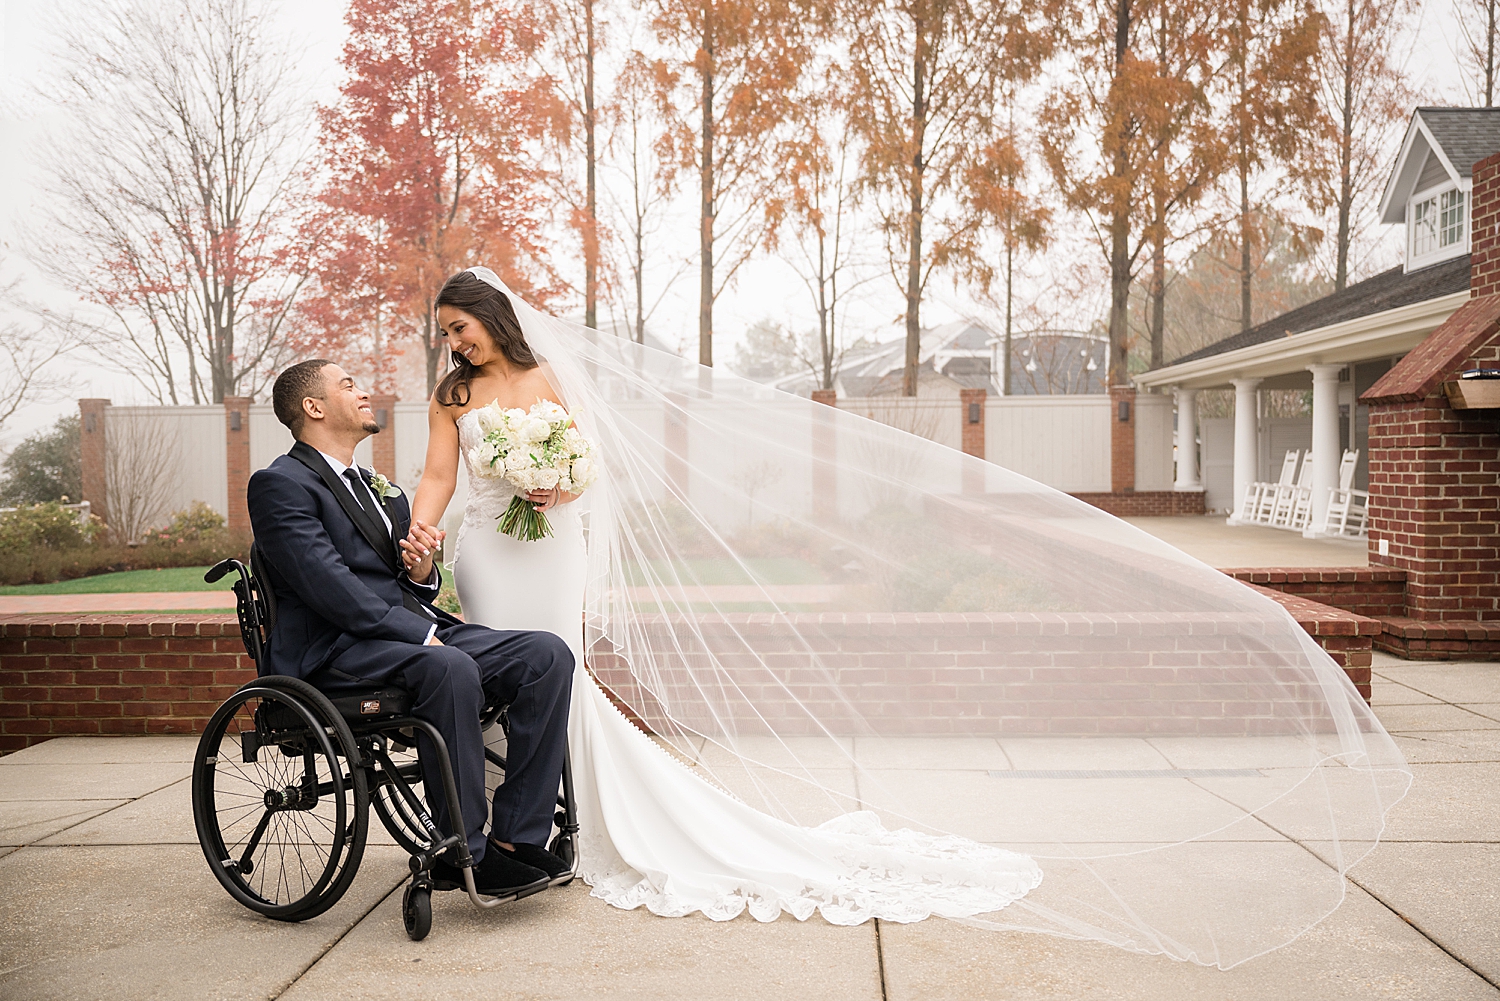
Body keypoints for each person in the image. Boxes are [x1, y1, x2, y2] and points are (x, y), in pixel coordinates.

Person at [396, 265, 1410, 969]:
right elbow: (439, 476)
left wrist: (557, 482)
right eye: (446, 333)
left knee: (558, 667)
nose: (455, 342)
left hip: (552, 545)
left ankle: (553, 824)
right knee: (507, 673)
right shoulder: (454, 394)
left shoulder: (549, 376)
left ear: (495, 315)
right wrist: (429, 532)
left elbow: (587, 465)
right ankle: (528, 822)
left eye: (462, 325)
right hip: (490, 552)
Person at [246, 358, 575, 900]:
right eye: (347, 384)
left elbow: (409, 580)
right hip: (336, 650)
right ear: (314, 407)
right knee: (447, 664)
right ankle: (461, 848)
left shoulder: (378, 488)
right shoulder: (280, 484)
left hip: (407, 632)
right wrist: (420, 635)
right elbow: (326, 584)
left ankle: (518, 838)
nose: (362, 392)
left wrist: (421, 569)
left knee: (546, 655)